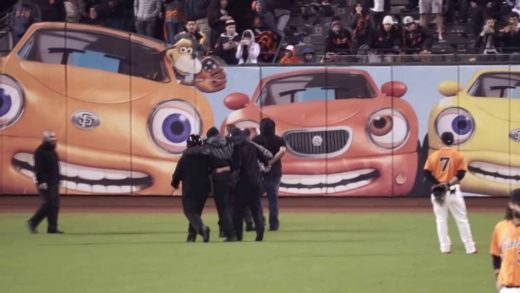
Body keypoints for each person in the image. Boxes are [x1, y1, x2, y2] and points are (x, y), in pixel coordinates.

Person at [423, 132, 478, 255]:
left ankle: (445, 248)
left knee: (441, 220)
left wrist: (439, 184)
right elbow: (461, 174)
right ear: (452, 141)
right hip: (453, 191)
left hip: (438, 192)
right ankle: (470, 248)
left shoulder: (435, 155)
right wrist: (447, 184)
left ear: (442, 140)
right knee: (462, 220)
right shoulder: (457, 155)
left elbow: (426, 172)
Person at [171, 134, 216, 242]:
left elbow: (178, 173)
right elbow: (213, 168)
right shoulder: (207, 156)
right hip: (204, 188)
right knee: (196, 212)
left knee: (189, 211)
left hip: (190, 188)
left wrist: (174, 183)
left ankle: (202, 229)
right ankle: (191, 235)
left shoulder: (185, 158)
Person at [231, 128, 272, 241]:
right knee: (256, 208)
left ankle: (239, 236)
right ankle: (260, 231)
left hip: (242, 182)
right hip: (256, 181)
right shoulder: (252, 146)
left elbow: (236, 164)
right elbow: (266, 159)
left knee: (238, 211)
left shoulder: (236, 149)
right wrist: (265, 167)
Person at [252, 118, 286, 231]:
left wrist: (263, 164)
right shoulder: (279, 140)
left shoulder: (255, 140)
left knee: (256, 198)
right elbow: (282, 151)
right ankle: (274, 224)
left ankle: (260, 221)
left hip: (259, 173)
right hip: (275, 173)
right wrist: (272, 162)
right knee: (273, 199)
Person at [26, 131, 63, 234]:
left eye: (54, 137)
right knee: (49, 204)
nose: (54, 139)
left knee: (54, 205)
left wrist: (59, 179)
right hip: (46, 182)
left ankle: (52, 228)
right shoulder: (39, 151)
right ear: (45, 139)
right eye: (51, 137)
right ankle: (33, 222)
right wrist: (41, 181)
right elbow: (39, 168)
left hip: (54, 181)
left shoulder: (52, 151)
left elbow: (56, 167)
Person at [491, 189, 520, 291]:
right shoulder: (500, 227)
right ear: (511, 205)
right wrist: (498, 275)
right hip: (506, 287)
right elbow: (495, 255)